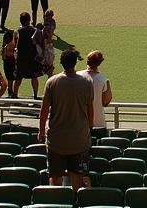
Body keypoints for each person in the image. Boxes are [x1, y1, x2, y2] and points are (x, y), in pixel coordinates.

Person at [39, 49, 93, 192]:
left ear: (61, 63)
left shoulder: (52, 82)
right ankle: (75, 200)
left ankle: (55, 202)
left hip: (56, 140)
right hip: (79, 139)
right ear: (75, 63)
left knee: (55, 176)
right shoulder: (87, 82)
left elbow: (44, 110)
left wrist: (41, 132)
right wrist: (89, 128)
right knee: (76, 174)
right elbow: (90, 110)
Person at [82, 50, 113, 139]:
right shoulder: (103, 80)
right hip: (98, 123)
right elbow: (105, 102)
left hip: (79, 122)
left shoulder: (77, 76)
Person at [13, 12, 42, 97]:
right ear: (29, 20)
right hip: (32, 56)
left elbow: (15, 44)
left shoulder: (17, 31)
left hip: (21, 57)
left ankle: (15, 95)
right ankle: (35, 95)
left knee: (18, 78)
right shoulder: (34, 30)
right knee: (34, 77)